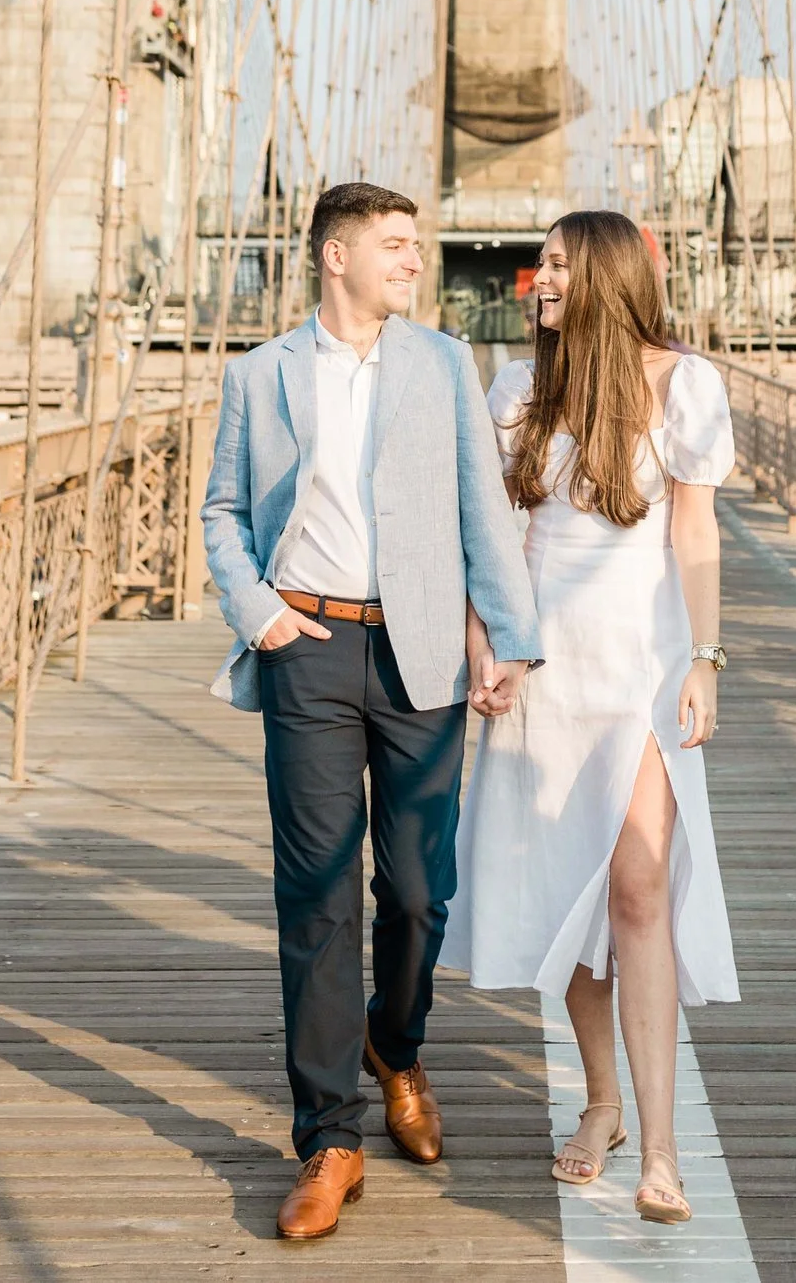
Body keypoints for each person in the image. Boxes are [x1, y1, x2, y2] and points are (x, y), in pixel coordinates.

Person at [202, 181, 543, 1242]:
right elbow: (221, 511)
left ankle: (397, 1046)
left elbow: (481, 508)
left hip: (423, 647)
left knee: (417, 889)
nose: (412, 260)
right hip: (304, 644)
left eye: (415, 246)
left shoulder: (442, 363)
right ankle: (332, 1137)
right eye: (394, 245)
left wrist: (513, 637)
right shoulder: (260, 376)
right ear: (335, 255)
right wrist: (257, 613)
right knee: (315, 893)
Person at [442, 209, 739, 1226]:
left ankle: (661, 1152)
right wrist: (490, 651)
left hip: (643, 667)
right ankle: (600, 1103)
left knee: (641, 885)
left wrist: (705, 658)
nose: (540, 278)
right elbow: (500, 537)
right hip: (545, 671)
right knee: (572, 883)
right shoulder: (522, 391)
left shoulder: (684, 386)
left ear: (607, 275)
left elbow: (693, 532)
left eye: (560, 263)